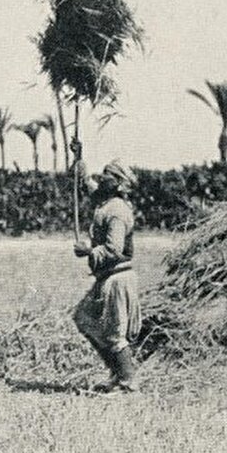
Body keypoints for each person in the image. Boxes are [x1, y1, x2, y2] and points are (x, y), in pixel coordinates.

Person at [73, 159, 141, 392]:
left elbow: (114, 250)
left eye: (107, 174)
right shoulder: (106, 202)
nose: (102, 177)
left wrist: (89, 251)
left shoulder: (118, 211)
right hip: (107, 278)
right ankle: (116, 373)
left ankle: (127, 382)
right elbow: (86, 186)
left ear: (118, 182)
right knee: (83, 318)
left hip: (117, 279)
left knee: (114, 333)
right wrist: (80, 160)